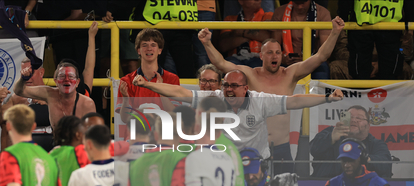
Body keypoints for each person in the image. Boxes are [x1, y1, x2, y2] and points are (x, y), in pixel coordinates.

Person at [198, 16, 345, 174]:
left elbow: (320, 57)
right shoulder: (250, 75)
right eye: (269, 53)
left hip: (282, 149)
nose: (274, 56)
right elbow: (221, 63)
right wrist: (207, 43)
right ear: (261, 56)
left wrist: (335, 33)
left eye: (277, 53)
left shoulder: (290, 74)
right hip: (254, 149)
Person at [132, 69, 345, 159]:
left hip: (256, 164)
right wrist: (148, 84)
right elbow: (181, 93)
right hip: (223, 161)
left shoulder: (261, 101)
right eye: (226, 85)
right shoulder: (215, 98)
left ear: (245, 88)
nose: (229, 90)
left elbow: (295, 100)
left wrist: (327, 98)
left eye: (234, 86)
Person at [337, 0, 414, 80]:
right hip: (363, 23)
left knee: (390, 69)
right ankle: (361, 90)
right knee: (360, 70)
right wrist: (344, 17)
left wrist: (410, 22)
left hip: (390, 24)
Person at [310, 105, 392, 179]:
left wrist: (364, 158)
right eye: (350, 117)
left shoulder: (376, 144)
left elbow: (385, 164)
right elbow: (313, 149)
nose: (353, 120)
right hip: (325, 185)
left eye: (359, 118)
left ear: (368, 126)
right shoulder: (330, 132)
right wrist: (331, 138)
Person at [118, 28, 179, 125]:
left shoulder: (172, 79)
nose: (149, 48)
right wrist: (125, 99)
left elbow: (174, 115)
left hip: (163, 134)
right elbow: (125, 119)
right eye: (144, 45)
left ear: (160, 50)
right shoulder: (126, 81)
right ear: (138, 50)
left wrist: (162, 91)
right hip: (137, 133)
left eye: (153, 45)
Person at [14, 62, 97, 133]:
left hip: (79, 147)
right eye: (62, 76)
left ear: (77, 82)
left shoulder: (87, 103)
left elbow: (93, 135)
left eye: (71, 76)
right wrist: (23, 78)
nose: (66, 79)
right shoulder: (49, 94)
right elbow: (18, 90)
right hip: (56, 146)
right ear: (56, 81)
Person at [271, 0, 332, 78]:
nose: (299, 7)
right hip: (286, 62)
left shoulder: (323, 13)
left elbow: (327, 52)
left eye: (303, 3)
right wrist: (282, 58)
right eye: (297, 3)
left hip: (314, 62)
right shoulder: (280, 12)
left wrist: (311, 59)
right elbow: (274, 45)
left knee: (322, 71)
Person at [217, 0, 273, 68]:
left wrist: (242, 31)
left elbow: (270, 38)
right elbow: (223, 45)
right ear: (241, 1)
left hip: (260, 59)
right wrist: (255, 35)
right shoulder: (229, 19)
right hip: (235, 60)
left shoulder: (268, 16)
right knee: (228, 66)